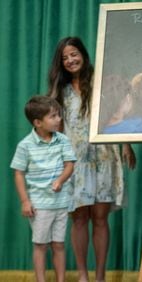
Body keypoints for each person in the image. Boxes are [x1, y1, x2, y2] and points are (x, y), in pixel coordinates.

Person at [48, 36, 136, 282]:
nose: (70, 60)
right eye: (65, 58)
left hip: (104, 158)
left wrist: (126, 144)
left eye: (74, 54)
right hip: (74, 163)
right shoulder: (60, 91)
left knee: (99, 218)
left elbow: (116, 115)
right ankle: (83, 276)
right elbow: (55, 129)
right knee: (79, 219)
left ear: (84, 55)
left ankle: (99, 277)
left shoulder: (101, 84)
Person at [10, 96, 76, 282]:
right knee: (40, 245)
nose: (58, 119)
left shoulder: (62, 140)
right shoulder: (25, 146)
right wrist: (25, 201)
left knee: (59, 244)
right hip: (40, 205)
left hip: (61, 203)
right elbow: (18, 174)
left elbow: (70, 165)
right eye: (53, 116)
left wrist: (60, 180)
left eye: (58, 115)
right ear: (38, 122)